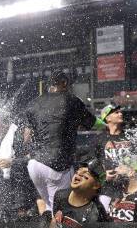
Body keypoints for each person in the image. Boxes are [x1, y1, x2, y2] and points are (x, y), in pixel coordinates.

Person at [22, 71, 103, 213]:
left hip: (35, 165)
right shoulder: (71, 100)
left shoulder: (33, 103)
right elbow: (93, 122)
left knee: (46, 206)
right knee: (60, 211)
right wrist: (106, 125)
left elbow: (27, 137)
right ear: (64, 83)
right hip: (57, 167)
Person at [95, 103, 132, 198]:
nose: (120, 114)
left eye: (120, 112)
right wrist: (103, 175)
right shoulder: (99, 139)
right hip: (108, 190)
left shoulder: (130, 136)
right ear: (107, 118)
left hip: (130, 187)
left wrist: (133, 169)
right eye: (116, 112)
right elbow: (91, 161)